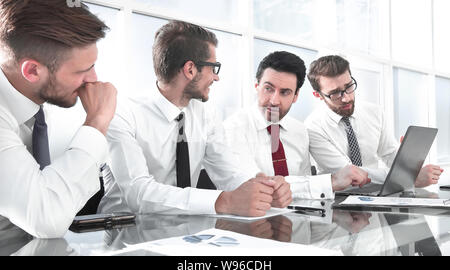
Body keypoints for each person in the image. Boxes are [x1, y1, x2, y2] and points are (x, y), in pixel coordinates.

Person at [100, 20, 286, 218]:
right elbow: (138, 193)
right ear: (190, 69)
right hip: (124, 231)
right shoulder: (122, 114)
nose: (216, 78)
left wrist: (262, 186)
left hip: (184, 230)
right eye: (213, 68)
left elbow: (228, 170)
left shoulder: (207, 113)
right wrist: (223, 201)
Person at [0, 0, 117, 238]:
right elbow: (46, 218)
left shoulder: (34, 104)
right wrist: (97, 122)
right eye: (82, 70)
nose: (93, 79)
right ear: (32, 71)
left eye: (93, 65)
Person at [222, 51, 370, 200]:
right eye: (268, 88)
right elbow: (256, 188)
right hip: (253, 220)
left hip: (297, 219)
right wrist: (330, 182)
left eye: (285, 92)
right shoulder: (233, 129)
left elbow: (304, 190)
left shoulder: (299, 131)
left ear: (296, 96)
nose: (274, 101)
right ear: (257, 86)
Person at [305, 55, 443, 186]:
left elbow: (389, 153)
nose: (346, 98)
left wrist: (408, 163)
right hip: (338, 199)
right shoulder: (313, 127)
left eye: (349, 87)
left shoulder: (374, 112)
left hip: (379, 192)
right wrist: (409, 177)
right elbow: (350, 174)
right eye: (335, 93)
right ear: (318, 95)